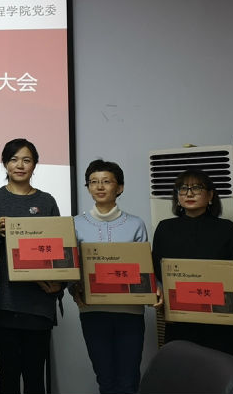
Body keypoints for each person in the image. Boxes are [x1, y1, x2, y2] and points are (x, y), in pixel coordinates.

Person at [0, 138, 62, 394]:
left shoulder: (46, 201)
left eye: (26, 160)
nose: (20, 165)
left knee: (35, 378)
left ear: (35, 164)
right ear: (5, 163)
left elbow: (61, 249)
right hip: (5, 302)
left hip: (38, 304)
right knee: (9, 376)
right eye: (14, 159)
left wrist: (60, 285)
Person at [152, 168, 233, 358]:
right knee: (186, 371)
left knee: (225, 372)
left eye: (197, 188)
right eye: (183, 189)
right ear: (177, 197)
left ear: (210, 195)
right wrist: (158, 293)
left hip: (222, 323)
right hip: (182, 321)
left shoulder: (228, 229)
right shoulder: (165, 229)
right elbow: (155, 271)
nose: (189, 193)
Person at [71, 159, 155, 394]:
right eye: (93, 182)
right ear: (88, 187)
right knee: (105, 379)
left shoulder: (136, 224)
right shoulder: (75, 224)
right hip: (92, 312)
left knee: (129, 380)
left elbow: (144, 269)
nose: (99, 187)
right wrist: (73, 288)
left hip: (130, 313)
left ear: (120, 187)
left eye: (106, 181)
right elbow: (70, 268)